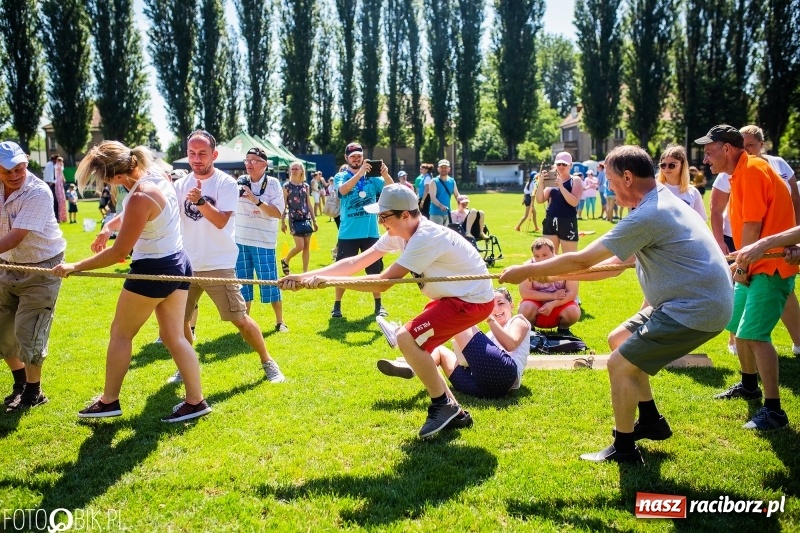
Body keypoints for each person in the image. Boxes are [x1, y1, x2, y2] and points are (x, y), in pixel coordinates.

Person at [500, 145, 733, 464]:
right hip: (690, 300)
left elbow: (582, 259)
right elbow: (606, 267)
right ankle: (650, 420)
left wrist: (527, 270)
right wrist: (543, 274)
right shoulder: (661, 200)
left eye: (609, 180)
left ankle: (624, 449)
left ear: (627, 177)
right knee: (619, 339)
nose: (607, 186)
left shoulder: (650, 214)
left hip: (693, 307)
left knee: (619, 363)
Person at [279, 184, 495, 437]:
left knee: (406, 337)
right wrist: (304, 277)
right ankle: (453, 411)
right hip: (455, 298)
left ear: (405, 215)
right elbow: (356, 262)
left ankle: (442, 405)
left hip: (471, 301)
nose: (380, 222)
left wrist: (329, 283)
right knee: (413, 341)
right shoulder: (400, 233)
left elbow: (383, 282)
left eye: (384, 217)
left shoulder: (426, 236)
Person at [51, 141, 210, 422]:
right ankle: (196, 401)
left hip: (153, 270)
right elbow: (138, 214)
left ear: (115, 176)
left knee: (121, 334)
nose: (104, 184)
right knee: (174, 337)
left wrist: (75, 266)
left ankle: (109, 400)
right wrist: (110, 225)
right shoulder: (155, 177)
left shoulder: (139, 197)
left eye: (102, 179)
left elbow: (119, 253)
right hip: (177, 263)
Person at [697, 124, 796, 431]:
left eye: (709, 151)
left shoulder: (752, 171)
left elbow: (752, 229)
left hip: (769, 266)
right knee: (737, 327)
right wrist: (741, 264)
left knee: (753, 334)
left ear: (727, 149)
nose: (705, 160)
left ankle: (774, 410)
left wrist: (741, 269)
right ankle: (749, 385)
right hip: (754, 263)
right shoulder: (739, 173)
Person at [171, 130, 285, 384]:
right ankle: (187, 365)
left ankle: (268, 361)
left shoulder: (226, 184)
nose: (196, 158)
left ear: (214, 154)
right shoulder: (179, 185)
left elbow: (221, 221)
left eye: (202, 153)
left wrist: (200, 200)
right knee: (179, 322)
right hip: (185, 265)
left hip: (218, 264)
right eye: (192, 153)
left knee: (240, 319)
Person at [0, 141, 65, 411]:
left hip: (41, 267)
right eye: (7, 171)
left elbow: (16, 237)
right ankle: (20, 384)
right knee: (3, 330)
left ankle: (34, 393)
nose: (15, 175)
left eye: (20, 168)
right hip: (5, 265)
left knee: (29, 331)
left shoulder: (37, 192)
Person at [377, 288, 531, 399]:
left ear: (512, 305)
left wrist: (489, 318)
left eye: (501, 303)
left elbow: (511, 344)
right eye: (492, 305)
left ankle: (401, 334)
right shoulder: (490, 335)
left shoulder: (518, 320)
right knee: (440, 351)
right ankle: (413, 367)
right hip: (483, 387)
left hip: (505, 376)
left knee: (459, 318)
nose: (496, 309)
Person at [330, 142, 393, 319]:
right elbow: (342, 191)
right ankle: (337, 306)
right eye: (352, 156)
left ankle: (379, 306)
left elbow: (393, 189)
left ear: (363, 156)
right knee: (342, 271)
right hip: (348, 233)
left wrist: (386, 175)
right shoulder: (341, 176)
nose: (356, 158)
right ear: (346, 158)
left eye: (359, 155)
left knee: (374, 271)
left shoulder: (373, 177)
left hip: (370, 233)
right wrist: (360, 173)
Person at [235, 148, 288, 333]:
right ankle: (245, 324)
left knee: (270, 283)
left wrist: (255, 200)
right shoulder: (240, 182)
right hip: (240, 240)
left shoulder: (273, 184)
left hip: (263, 241)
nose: (249, 164)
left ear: (264, 164)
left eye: (254, 160)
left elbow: (278, 212)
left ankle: (280, 322)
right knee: (243, 285)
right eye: (247, 160)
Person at [517, 238, 580, 333]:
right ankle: (530, 331)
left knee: (573, 311)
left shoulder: (566, 266)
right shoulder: (527, 267)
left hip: (560, 306)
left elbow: (572, 293)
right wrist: (552, 295)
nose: (541, 260)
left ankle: (563, 330)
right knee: (525, 307)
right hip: (536, 308)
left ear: (553, 252)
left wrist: (553, 303)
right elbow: (525, 293)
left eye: (544, 255)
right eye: (537, 256)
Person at [536, 152, 583, 254]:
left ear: (570, 165)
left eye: (564, 164)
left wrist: (561, 187)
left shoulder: (575, 180)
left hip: (567, 222)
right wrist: (541, 183)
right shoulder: (552, 180)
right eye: (558, 164)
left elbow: (574, 202)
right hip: (551, 220)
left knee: (569, 259)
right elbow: (540, 200)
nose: (561, 167)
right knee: (549, 256)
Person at [281, 162, 317, 275]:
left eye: (296, 168)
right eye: (292, 169)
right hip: (294, 219)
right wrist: (282, 222)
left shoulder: (305, 186)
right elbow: (283, 204)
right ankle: (285, 260)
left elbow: (309, 204)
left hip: (306, 218)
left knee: (307, 246)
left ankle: (305, 272)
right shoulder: (287, 186)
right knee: (300, 246)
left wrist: (314, 220)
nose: (294, 170)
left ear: (302, 170)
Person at [656, 145, 706, 220]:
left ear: (682, 165)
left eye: (672, 165)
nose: (666, 168)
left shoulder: (693, 192)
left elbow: (701, 223)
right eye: (663, 165)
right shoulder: (653, 190)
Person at [427, 159, 460, 226]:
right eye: (442, 167)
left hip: (447, 213)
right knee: (438, 234)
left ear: (449, 169)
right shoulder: (434, 181)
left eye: (445, 167)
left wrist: (462, 202)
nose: (444, 169)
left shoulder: (452, 181)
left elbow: (457, 195)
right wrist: (441, 206)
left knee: (446, 234)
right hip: (436, 213)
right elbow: (433, 198)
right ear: (438, 169)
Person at [54, 156, 68, 223]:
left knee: (62, 200)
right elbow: (58, 172)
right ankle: (60, 217)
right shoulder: (57, 166)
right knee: (60, 200)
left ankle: (63, 217)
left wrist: (63, 178)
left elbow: (61, 173)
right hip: (58, 182)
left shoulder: (59, 166)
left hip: (60, 183)